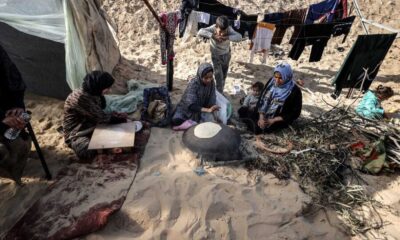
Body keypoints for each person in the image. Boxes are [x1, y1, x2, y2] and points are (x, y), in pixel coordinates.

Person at [63, 71, 127, 161]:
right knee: (86, 151)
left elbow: (99, 112)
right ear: (98, 86)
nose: (110, 90)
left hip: (91, 123)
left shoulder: (92, 91)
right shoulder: (81, 98)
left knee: (114, 131)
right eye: (107, 88)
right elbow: (101, 117)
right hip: (77, 132)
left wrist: (114, 116)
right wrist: (119, 119)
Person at [0, 45, 31, 184]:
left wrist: (18, 105)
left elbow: (13, 77)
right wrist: (1, 119)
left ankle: (14, 171)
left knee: (22, 141)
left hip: (7, 107)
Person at [253, 62, 302, 134]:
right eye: (275, 77)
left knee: (263, 129)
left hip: (279, 119)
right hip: (264, 113)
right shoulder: (271, 82)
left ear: (287, 76)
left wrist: (273, 120)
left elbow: (295, 113)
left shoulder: (295, 91)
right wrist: (261, 116)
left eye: (280, 78)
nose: (277, 80)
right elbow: (262, 97)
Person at [197, 15, 242, 94]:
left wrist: (227, 37)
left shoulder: (229, 29)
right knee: (218, 77)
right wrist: (213, 36)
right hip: (216, 56)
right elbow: (200, 31)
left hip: (226, 55)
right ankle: (219, 94)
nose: (221, 34)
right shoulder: (213, 28)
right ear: (216, 27)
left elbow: (239, 37)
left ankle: (220, 91)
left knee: (223, 76)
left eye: (223, 32)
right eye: (220, 32)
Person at [172, 63, 220, 127]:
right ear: (200, 76)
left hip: (202, 108)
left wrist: (212, 107)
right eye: (206, 78)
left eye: (210, 77)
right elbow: (191, 105)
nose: (209, 80)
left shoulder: (211, 83)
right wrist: (207, 110)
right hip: (188, 110)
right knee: (176, 120)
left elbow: (212, 96)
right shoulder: (194, 84)